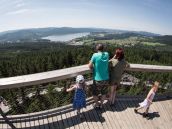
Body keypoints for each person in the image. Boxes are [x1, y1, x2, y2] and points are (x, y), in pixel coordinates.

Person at [88, 43, 109, 108]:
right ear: (103, 48)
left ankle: (97, 104)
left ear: (97, 49)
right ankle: (102, 105)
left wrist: (91, 62)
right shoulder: (107, 54)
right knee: (104, 93)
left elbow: (90, 66)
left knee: (95, 93)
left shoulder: (95, 55)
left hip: (97, 78)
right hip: (106, 78)